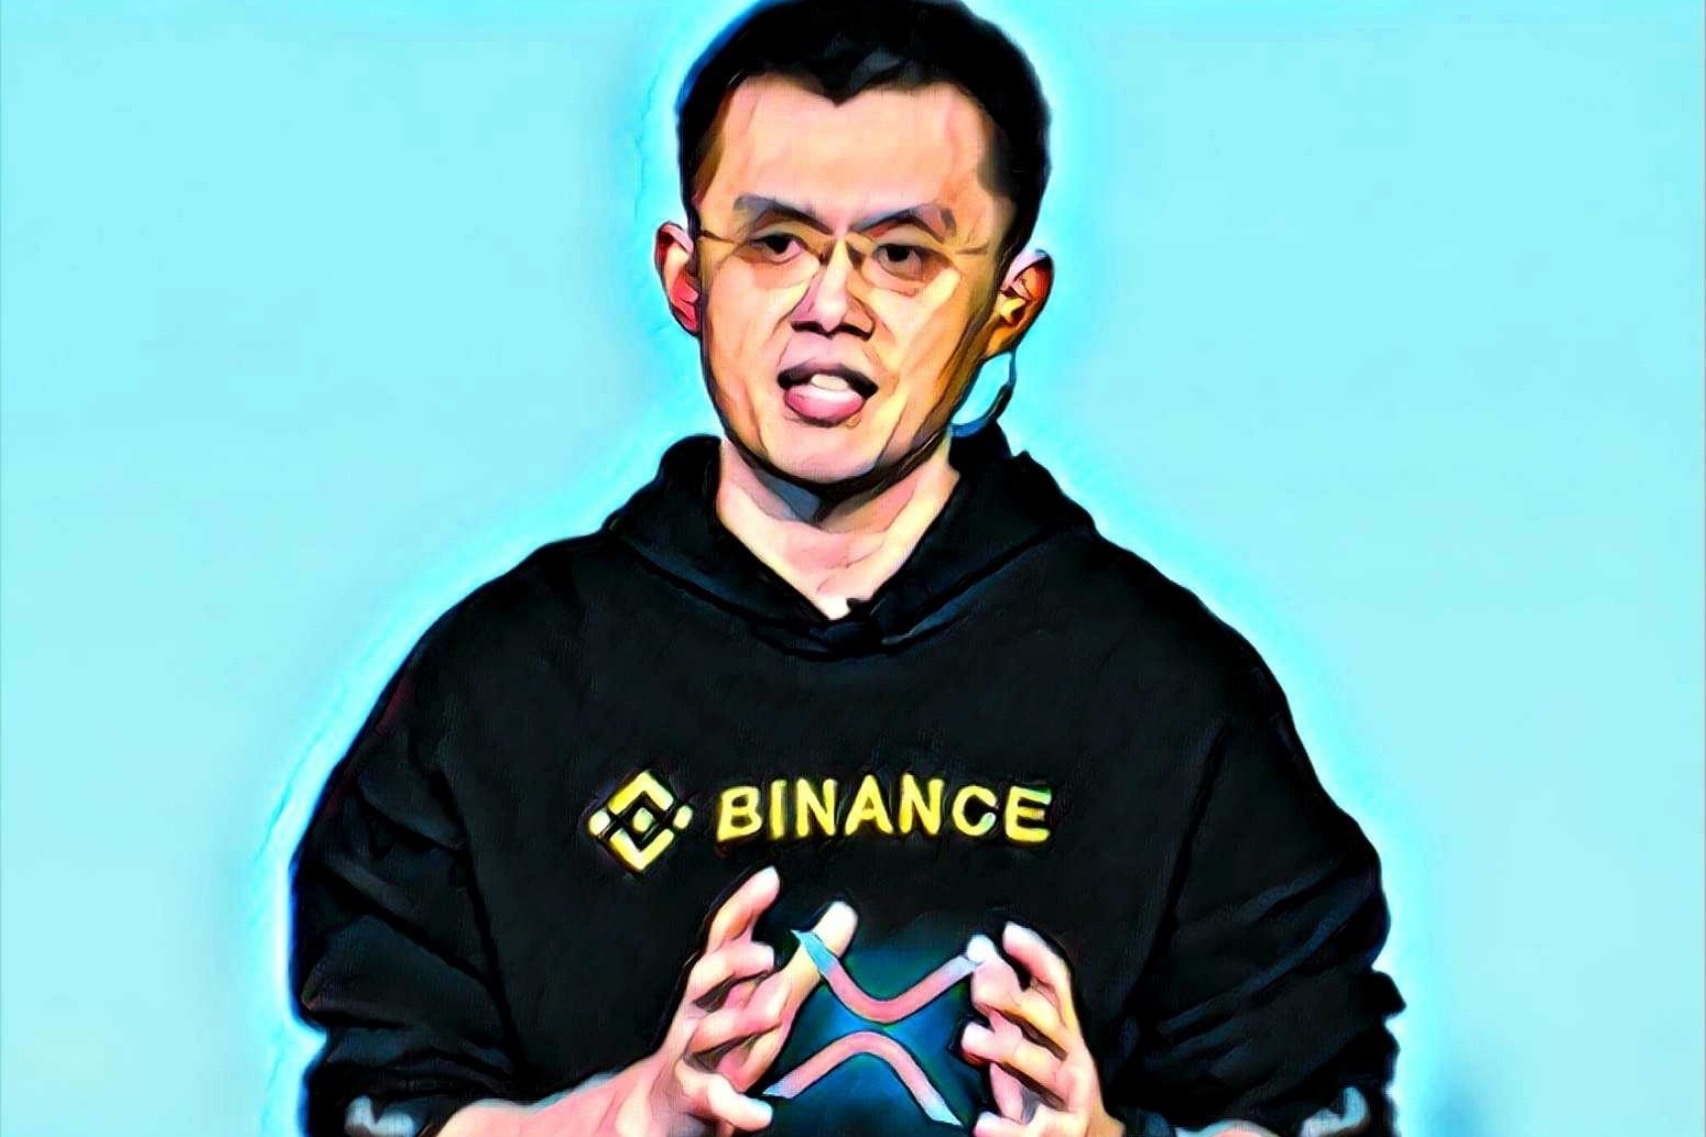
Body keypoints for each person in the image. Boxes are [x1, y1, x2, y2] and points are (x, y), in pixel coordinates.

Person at [288, 2, 1404, 1136]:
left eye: (902, 254)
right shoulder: (500, 691)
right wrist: (630, 1118)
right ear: (685, 276)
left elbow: (1323, 1101)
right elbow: (378, 1106)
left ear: (1008, 304)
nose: (829, 306)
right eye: (774, 242)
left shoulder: (1166, 698)